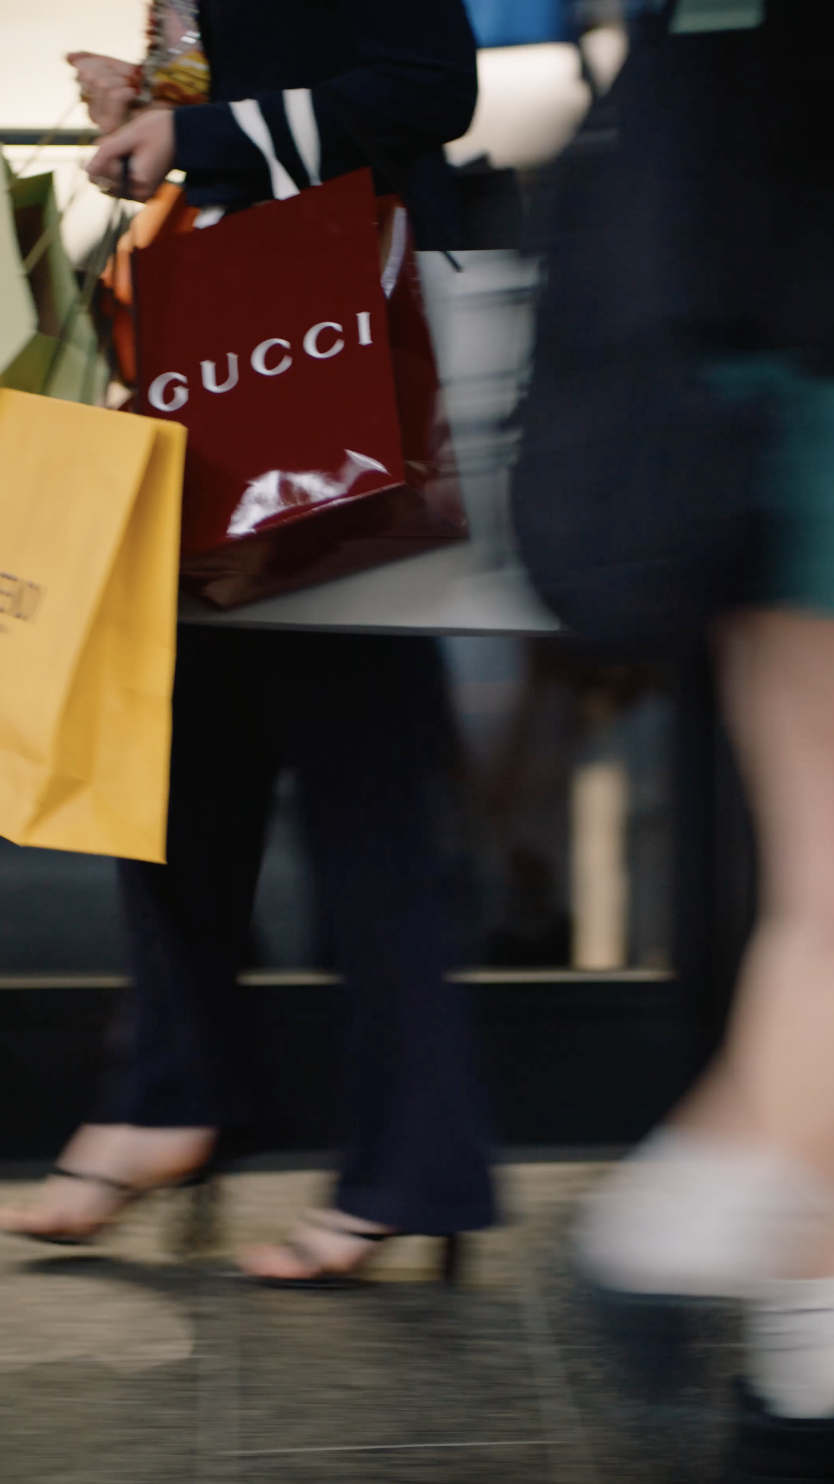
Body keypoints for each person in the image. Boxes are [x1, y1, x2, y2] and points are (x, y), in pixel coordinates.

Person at [0, 0, 497, 1282]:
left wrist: (200, 132)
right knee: (179, 748)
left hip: (323, 357)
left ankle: (403, 1161)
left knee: (358, 766)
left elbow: (428, 87)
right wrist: (161, 108)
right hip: (238, 355)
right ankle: (180, 1096)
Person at [569, 1, 834, 1477]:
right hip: (799, 373)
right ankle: (673, 1219)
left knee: (815, 895)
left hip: (752, 372)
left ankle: (808, 1369)